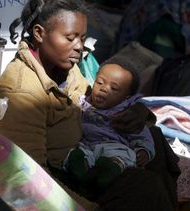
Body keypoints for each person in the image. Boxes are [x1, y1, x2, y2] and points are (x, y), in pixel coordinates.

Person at [0, 0, 179, 210]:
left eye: (82, 38)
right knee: (143, 185)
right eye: (70, 38)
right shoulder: (21, 92)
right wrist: (85, 207)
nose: (79, 47)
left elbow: (97, 100)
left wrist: (140, 113)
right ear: (39, 33)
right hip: (64, 183)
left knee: (153, 138)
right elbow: (30, 178)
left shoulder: (66, 69)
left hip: (93, 161)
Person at [64, 61, 155, 190]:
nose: (104, 88)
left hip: (114, 145)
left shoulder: (127, 113)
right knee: (78, 152)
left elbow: (141, 133)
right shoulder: (84, 103)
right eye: (100, 82)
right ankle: (79, 168)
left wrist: (144, 150)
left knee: (125, 155)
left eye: (114, 88)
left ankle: (111, 169)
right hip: (89, 145)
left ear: (126, 97)